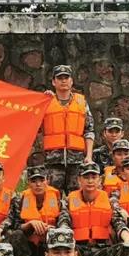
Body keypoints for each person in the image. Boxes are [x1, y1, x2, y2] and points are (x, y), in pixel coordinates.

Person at [58, 161, 121, 256]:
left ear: (99, 180)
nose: (90, 181)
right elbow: (64, 221)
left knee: (123, 248)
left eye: (94, 177)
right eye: (86, 177)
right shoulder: (69, 200)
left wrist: (127, 240)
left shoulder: (109, 200)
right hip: (78, 250)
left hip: (102, 250)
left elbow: (118, 222)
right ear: (79, 180)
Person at [41, 64, 95, 193]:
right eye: (60, 78)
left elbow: (89, 130)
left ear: (71, 81)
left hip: (76, 160)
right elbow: (34, 126)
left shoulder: (81, 102)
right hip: (53, 161)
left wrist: (89, 156)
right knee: (53, 197)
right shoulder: (46, 102)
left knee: (76, 196)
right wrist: (42, 100)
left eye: (66, 77)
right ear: (54, 82)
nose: (63, 81)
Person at [0, 165, 61, 256]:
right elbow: (15, 225)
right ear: (28, 182)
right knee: (15, 235)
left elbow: (64, 223)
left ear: (47, 181)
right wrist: (30, 224)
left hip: (48, 241)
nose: (38, 184)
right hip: (29, 243)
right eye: (34, 181)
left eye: (41, 180)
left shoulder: (57, 198)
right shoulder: (20, 199)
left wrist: (52, 229)